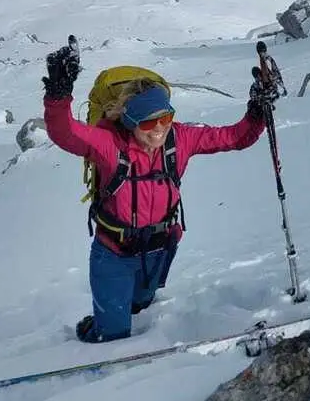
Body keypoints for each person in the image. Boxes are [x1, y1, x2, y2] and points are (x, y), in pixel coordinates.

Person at [41, 39, 271, 343]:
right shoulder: (110, 145)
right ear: (131, 121)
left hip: (159, 251)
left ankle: (121, 309)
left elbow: (234, 137)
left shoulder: (180, 139)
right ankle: (95, 328)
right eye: (150, 123)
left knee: (140, 305)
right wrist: (58, 95)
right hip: (114, 254)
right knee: (113, 336)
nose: (160, 128)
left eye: (166, 118)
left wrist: (257, 111)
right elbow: (65, 132)